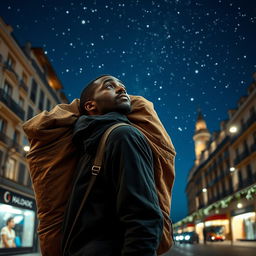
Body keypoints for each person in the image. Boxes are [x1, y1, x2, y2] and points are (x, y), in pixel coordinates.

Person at [62, 75, 164, 256]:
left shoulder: (124, 135)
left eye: (123, 87)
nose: (121, 89)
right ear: (90, 105)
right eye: (110, 86)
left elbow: (143, 217)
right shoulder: (88, 144)